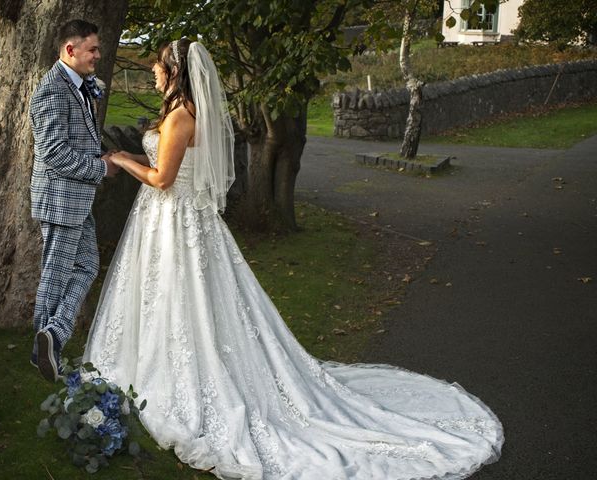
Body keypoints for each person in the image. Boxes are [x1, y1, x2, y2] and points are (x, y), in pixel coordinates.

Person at [84, 39, 503, 479]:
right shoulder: (187, 112)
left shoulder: (180, 116)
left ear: (174, 71)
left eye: (157, 68)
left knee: (181, 296)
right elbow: (163, 161)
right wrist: (132, 154)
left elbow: (162, 179)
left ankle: (178, 377)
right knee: (177, 299)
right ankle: (163, 362)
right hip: (178, 222)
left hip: (173, 220)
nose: (152, 74)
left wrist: (118, 159)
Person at [29, 19, 119, 382]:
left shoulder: (79, 86)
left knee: (86, 267)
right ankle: (43, 353)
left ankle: (52, 335)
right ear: (70, 49)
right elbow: (54, 153)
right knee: (56, 276)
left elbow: (78, 140)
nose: (98, 55)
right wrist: (101, 169)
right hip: (60, 198)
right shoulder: (51, 90)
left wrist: (103, 158)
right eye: (93, 49)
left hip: (75, 200)